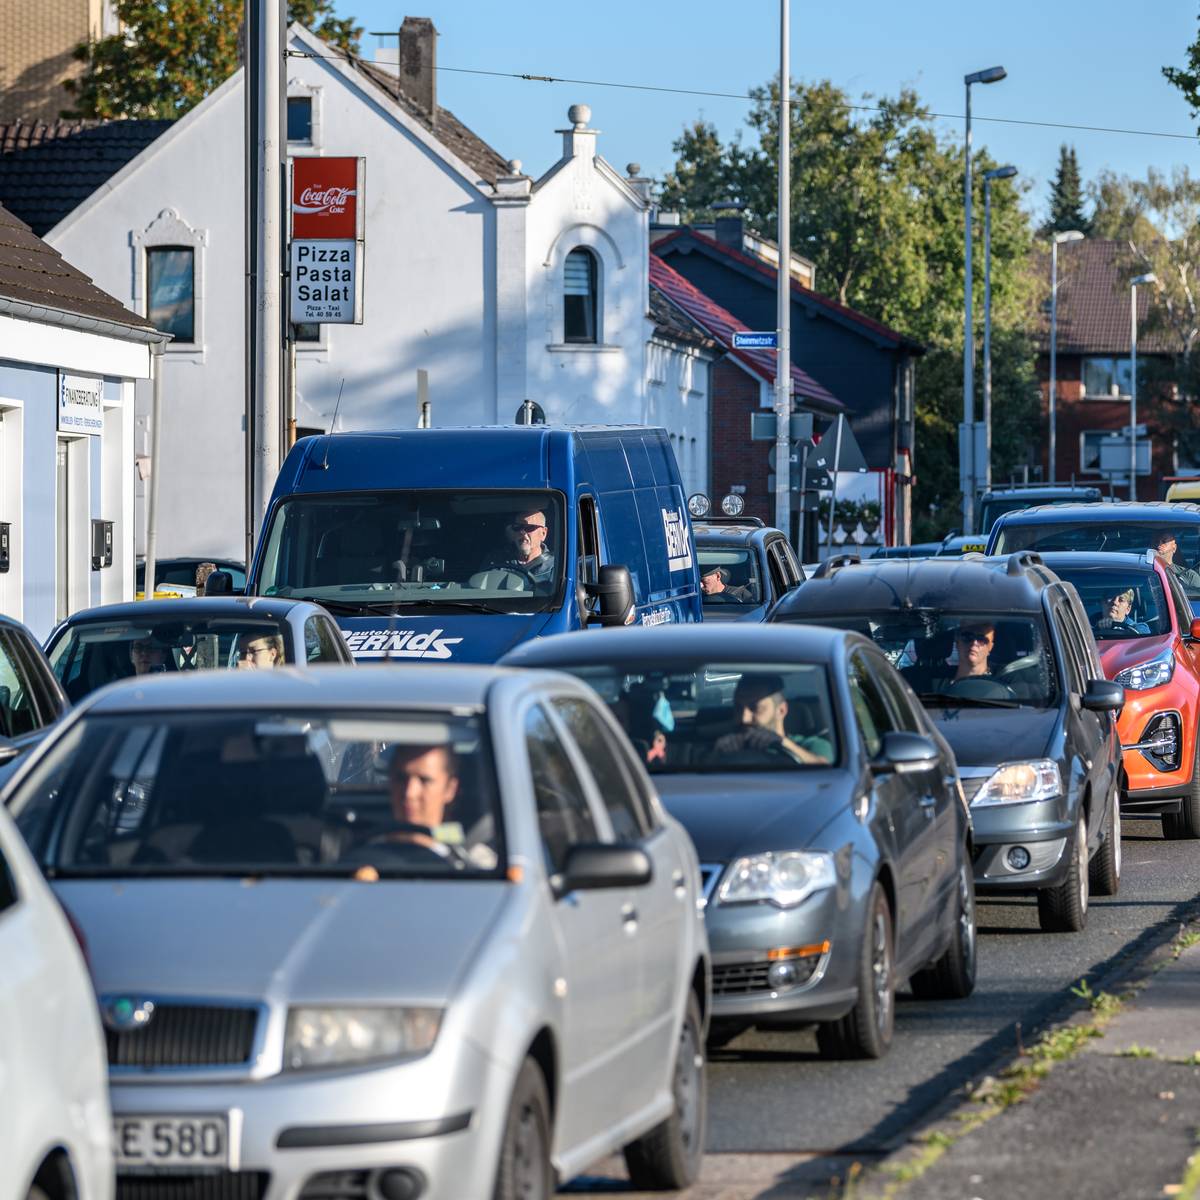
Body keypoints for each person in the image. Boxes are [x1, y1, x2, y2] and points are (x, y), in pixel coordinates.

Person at [713, 673, 832, 764]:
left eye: (755, 708)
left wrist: (782, 744)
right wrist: (716, 755)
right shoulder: (725, 747)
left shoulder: (812, 745)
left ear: (781, 710)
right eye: (738, 707)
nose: (744, 719)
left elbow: (825, 770)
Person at [482, 508, 556, 588]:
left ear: (543, 533)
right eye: (517, 527)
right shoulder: (496, 561)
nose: (522, 532)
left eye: (529, 527)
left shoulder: (556, 567)